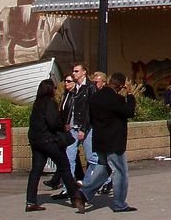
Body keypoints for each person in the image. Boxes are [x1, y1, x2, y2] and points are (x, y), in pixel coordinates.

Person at [75, 72, 137, 213]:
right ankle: (119, 204)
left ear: (109, 81)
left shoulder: (95, 98)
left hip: (99, 139)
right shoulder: (117, 99)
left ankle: (83, 193)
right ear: (121, 86)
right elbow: (130, 111)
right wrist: (131, 96)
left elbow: (89, 117)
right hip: (114, 141)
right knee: (120, 171)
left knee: (104, 168)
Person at [25, 79, 84, 212]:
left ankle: (30, 202)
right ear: (50, 89)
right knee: (65, 167)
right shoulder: (49, 103)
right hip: (49, 141)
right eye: (54, 87)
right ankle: (76, 198)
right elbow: (53, 123)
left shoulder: (37, 104)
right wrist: (63, 126)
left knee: (36, 171)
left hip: (36, 141)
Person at [54, 63, 96, 200]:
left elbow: (90, 111)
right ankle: (68, 189)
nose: (74, 73)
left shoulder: (90, 87)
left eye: (77, 71)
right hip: (73, 128)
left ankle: (96, 183)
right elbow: (70, 109)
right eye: (73, 71)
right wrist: (67, 123)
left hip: (86, 128)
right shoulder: (74, 89)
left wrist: (84, 128)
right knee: (69, 158)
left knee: (92, 158)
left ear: (84, 72)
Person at [44, 75, 83, 190]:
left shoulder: (75, 96)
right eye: (65, 81)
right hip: (66, 129)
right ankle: (70, 183)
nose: (66, 83)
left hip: (74, 129)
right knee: (70, 156)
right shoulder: (66, 95)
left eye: (69, 81)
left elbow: (76, 113)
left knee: (75, 156)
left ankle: (65, 185)